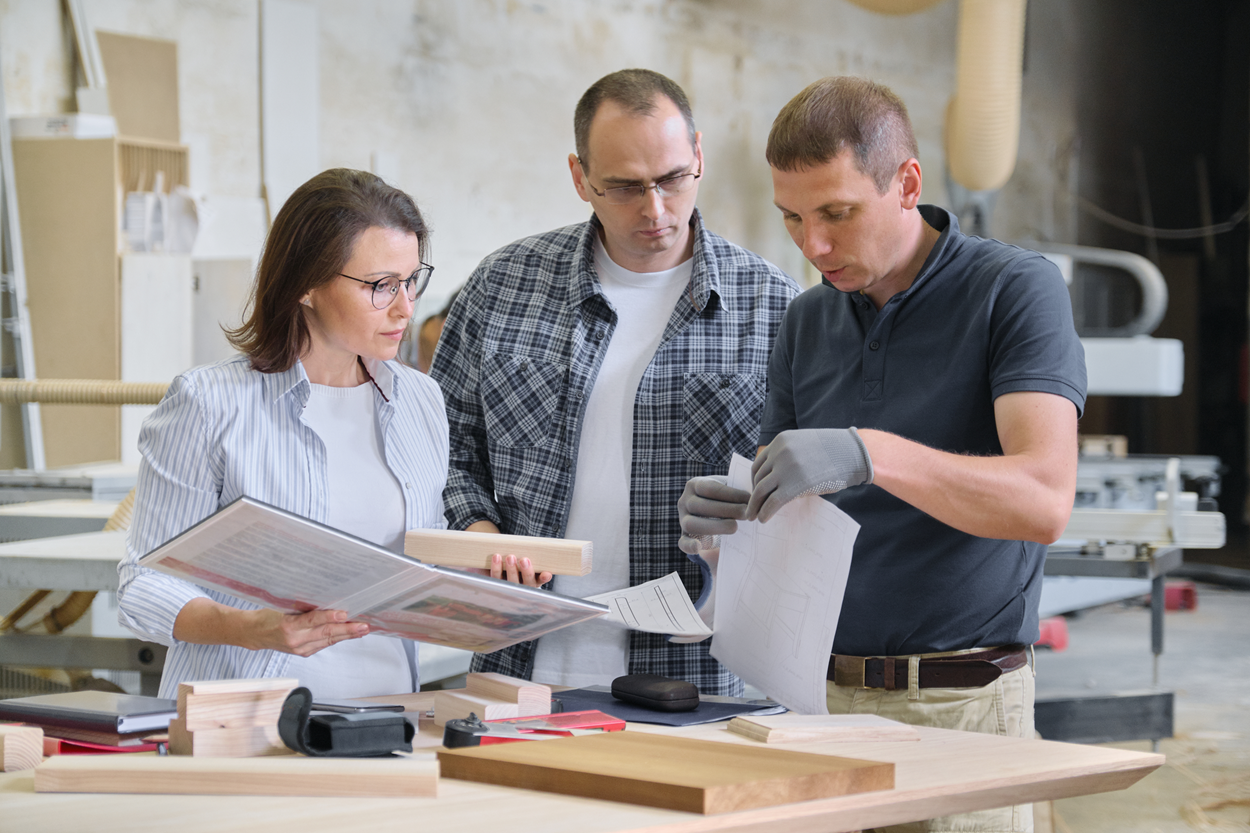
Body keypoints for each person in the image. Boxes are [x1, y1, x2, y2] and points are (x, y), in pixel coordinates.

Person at [678, 77, 1086, 832]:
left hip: (960, 706)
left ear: (907, 183)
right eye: (793, 218)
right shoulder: (806, 320)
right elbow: (790, 509)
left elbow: (1044, 500)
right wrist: (727, 530)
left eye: (837, 213)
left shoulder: (1014, 291)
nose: (814, 245)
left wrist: (872, 453)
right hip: (819, 704)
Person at [430, 68, 798, 696]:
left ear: (699, 156)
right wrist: (480, 533)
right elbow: (441, 448)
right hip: (520, 666)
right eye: (625, 187)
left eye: (673, 179)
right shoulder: (504, 287)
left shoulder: (773, 308)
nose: (655, 210)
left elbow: (800, 506)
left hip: (698, 681)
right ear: (580, 178)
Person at [118, 168, 448, 700]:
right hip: (246, 722)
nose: (405, 307)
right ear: (307, 284)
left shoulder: (421, 402)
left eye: (412, 281)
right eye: (381, 285)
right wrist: (252, 630)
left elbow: (420, 566)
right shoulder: (209, 403)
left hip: (388, 713)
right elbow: (142, 587)